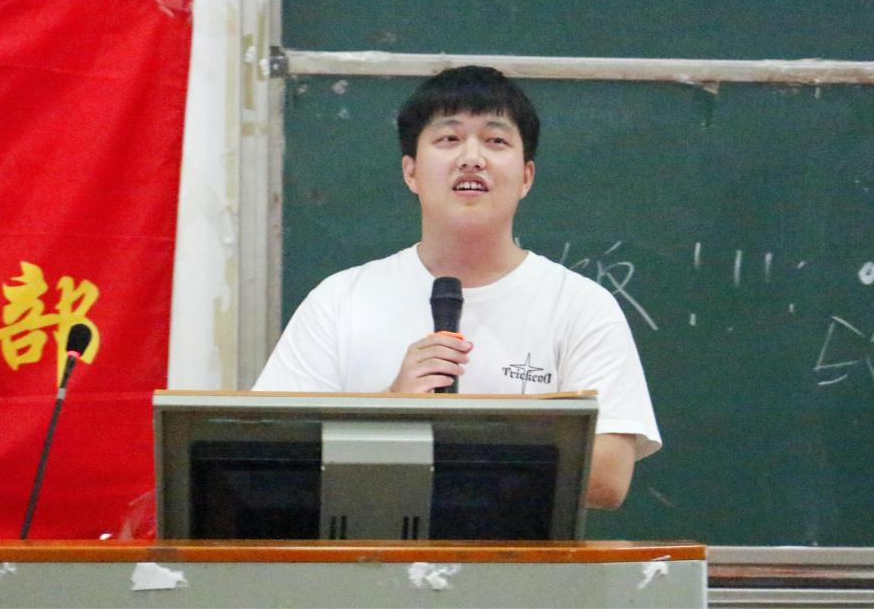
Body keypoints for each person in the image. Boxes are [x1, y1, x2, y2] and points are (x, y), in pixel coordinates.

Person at [254, 65, 660, 508]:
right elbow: (271, 460)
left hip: (522, 552)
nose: (472, 158)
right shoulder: (339, 300)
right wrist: (390, 410)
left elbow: (608, 478)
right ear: (411, 172)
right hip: (369, 547)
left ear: (526, 177)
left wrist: (460, 433)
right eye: (449, 138)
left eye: (495, 141)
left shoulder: (581, 305)